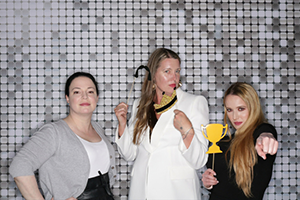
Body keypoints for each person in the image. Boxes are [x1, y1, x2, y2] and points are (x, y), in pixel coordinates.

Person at [114, 48, 209, 200]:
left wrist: (187, 131)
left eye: (177, 71)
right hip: (141, 192)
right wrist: (122, 124)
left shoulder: (193, 103)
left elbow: (199, 161)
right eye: (167, 71)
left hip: (177, 193)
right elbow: (129, 154)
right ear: (153, 75)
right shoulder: (140, 104)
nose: (174, 77)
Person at [9, 72, 117, 200]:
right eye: (77, 92)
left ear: (97, 97)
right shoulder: (54, 132)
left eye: (90, 92)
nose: (84, 97)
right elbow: (19, 166)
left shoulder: (97, 128)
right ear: (67, 98)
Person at [202, 82, 279, 200]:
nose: (235, 117)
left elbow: (265, 130)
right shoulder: (222, 142)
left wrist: (266, 136)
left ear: (253, 107)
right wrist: (208, 182)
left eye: (241, 109)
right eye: (230, 110)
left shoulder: (259, 139)